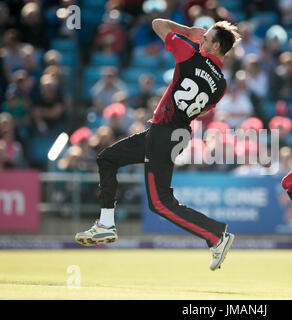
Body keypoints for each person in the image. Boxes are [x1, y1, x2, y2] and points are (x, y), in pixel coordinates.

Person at [75, 18, 240, 272]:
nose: (201, 38)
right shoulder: (221, 84)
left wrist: (186, 32)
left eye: (206, 37)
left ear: (216, 45)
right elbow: (205, 109)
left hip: (164, 132)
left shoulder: (189, 54)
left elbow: (157, 24)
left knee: (160, 203)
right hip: (177, 133)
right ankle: (106, 223)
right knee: (107, 158)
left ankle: (216, 235)